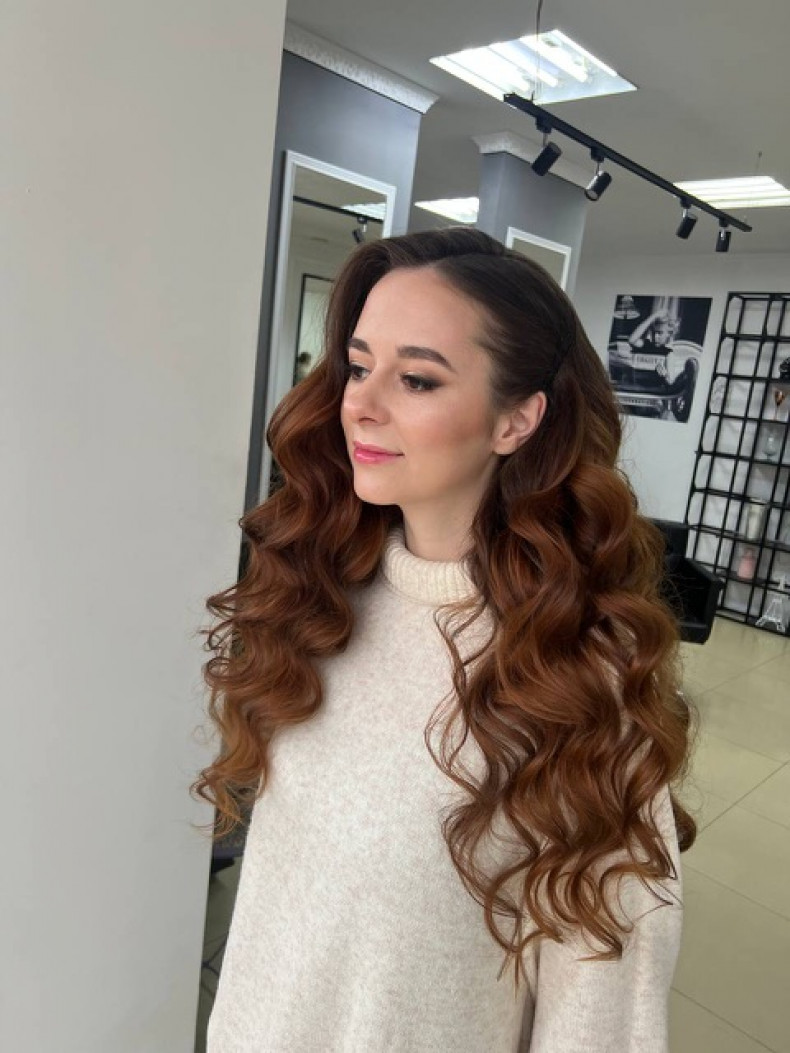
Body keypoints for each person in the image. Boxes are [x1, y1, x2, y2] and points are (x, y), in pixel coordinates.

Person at [193, 228, 696, 1052]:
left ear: (516, 420)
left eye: (417, 377)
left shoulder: (574, 682)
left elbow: (602, 1019)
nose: (360, 402)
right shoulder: (321, 601)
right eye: (359, 366)